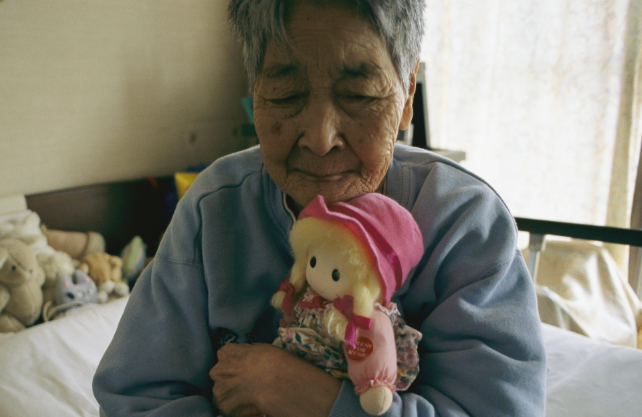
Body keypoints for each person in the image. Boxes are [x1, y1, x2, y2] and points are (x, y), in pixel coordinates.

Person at [93, 0, 547, 416]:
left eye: (361, 96)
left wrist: (311, 397)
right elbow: (136, 399)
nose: (321, 137)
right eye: (286, 95)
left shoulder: (464, 223)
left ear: (406, 98)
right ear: (255, 96)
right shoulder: (214, 209)